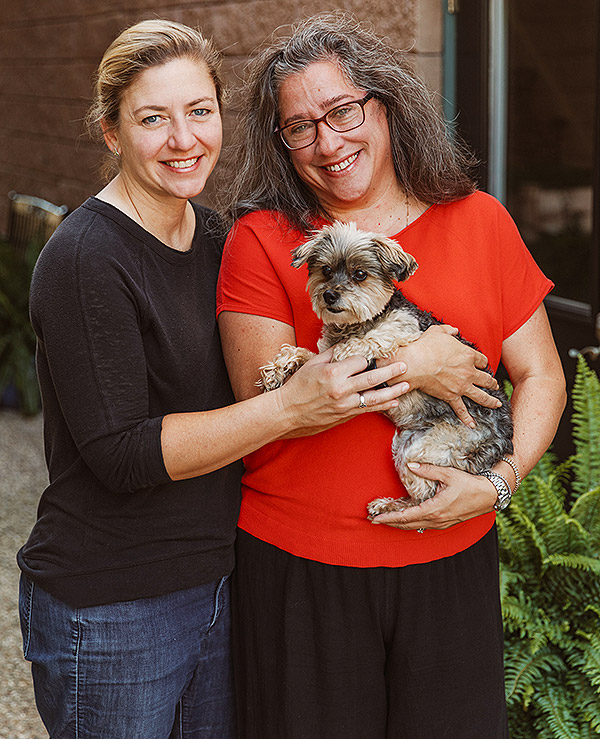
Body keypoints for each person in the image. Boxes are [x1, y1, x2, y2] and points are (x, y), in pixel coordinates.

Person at [16, 19, 411, 739]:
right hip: (113, 605)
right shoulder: (84, 259)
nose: (183, 139)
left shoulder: (218, 240)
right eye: (152, 119)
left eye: (199, 111)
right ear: (110, 133)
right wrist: (290, 407)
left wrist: (433, 353)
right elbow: (123, 453)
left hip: (221, 583)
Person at [216, 12, 567, 738]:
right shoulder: (265, 240)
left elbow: (541, 376)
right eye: (300, 126)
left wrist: (499, 482)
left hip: (450, 557)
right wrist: (416, 362)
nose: (327, 141)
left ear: (386, 103)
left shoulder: (480, 221)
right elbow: (271, 394)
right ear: (280, 142)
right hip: (301, 571)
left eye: (343, 110)